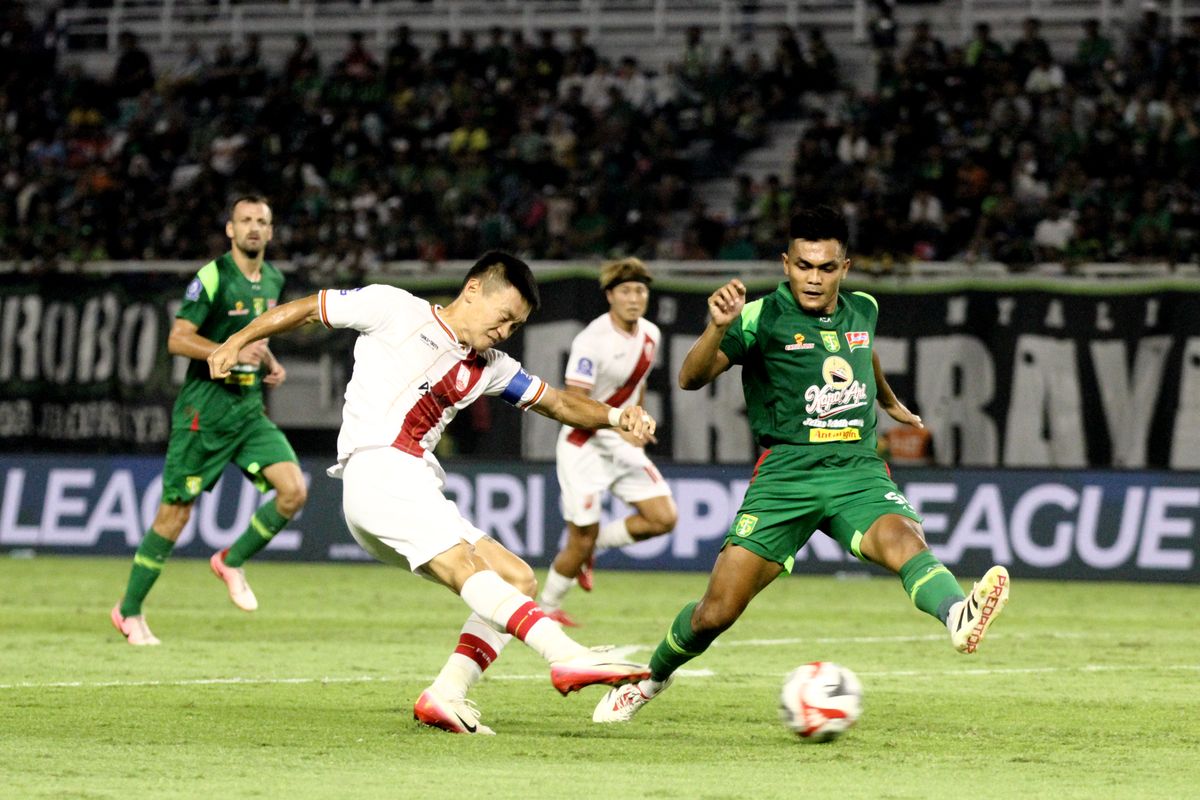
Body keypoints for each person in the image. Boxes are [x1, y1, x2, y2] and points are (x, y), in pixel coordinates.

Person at [206, 251, 655, 735]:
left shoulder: (492, 367)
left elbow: (561, 403)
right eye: (504, 316)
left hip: (410, 481)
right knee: (465, 565)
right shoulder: (394, 308)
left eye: (516, 325)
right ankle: (565, 655)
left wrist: (616, 416)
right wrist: (236, 340)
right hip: (379, 469)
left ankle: (447, 693)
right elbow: (308, 308)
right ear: (474, 288)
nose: (505, 331)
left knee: (517, 578)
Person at [593, 207, 1010, 723]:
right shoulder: (759, 316)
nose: (814, 278)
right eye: (805, 266)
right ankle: (648, 681)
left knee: (906, 541)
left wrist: (888, 400)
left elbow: (864, 352)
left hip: (856, 467)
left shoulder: (863, 309)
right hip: (786, 476)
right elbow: (690, 378)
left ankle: (956, 614)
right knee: (715, 613)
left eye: (827, 267)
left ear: (845, 268)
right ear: (786, 264)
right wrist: (717, 327)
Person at [111, 195, 308, 646]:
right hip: (205, 412)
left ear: (271, 231)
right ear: (230, 230)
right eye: (245, 220)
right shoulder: (213, 277)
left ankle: (231, 561)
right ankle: (128, 610)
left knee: (293, 491)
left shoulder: (273, 278)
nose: (253, 227)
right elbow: (178, 339)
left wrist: (268, 359)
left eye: (261, 221)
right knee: (174, 516)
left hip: (248, 412)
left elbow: (254, 332)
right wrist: (231, 351)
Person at [538, 258, 678, 627]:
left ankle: (596, 544)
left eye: (640, 291)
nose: (634, 298)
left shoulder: (651, 334)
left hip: (619, 441)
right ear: (609, 296)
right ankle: (546, 610)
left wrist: (638, 425)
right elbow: (573, 403)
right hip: (583, 445)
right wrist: (619, 426)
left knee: (663, 518)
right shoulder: (591, 341)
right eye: (626, 291)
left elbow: (637, 385)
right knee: (578, 540)